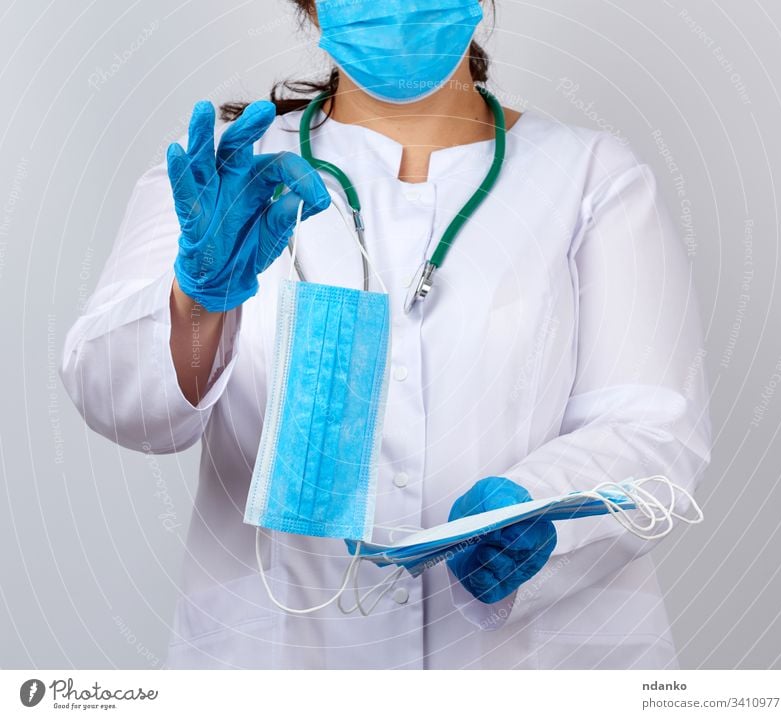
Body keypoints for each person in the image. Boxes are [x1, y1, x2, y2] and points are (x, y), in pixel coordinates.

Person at [61, 0, 711, 669]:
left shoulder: (592, 178)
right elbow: (119, 402)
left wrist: (544, 507)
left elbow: (653, 430)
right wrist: (196, 297)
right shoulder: (226, 173)